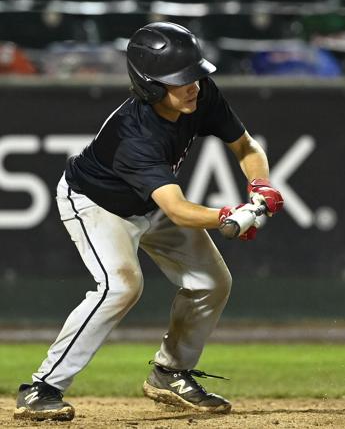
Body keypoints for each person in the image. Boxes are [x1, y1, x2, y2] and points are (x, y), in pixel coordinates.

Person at [13, 22, 284, 421]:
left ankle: (171, 373)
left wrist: (259, 185)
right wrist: (228, 216)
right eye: (179, 79)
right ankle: (42, 388)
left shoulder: (201, 93)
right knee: (121, 287)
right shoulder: (135, 134)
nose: (192, 84)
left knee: (212, 282)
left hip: (148, 204)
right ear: (150, 85)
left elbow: (245, 146)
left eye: (194, 73)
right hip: (98, 204)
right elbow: (177, 209)